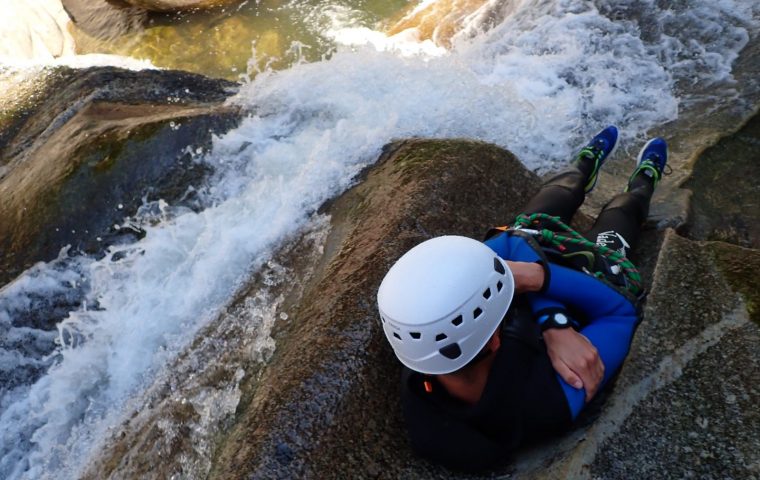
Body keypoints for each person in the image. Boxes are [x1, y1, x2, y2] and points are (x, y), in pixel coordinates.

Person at [376, 126, 668, 471]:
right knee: (620, 216)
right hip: (582, 282)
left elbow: (508, 243)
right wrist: (539, 282)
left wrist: (551, 320)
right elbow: (620, 312)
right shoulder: (562, 388)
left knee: (554, 197)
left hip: (529, 265)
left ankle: (585, 164)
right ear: (497, 338)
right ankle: (642, 181)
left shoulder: (425, 357)